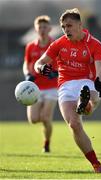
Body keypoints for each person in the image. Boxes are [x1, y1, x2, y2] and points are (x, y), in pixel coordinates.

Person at [34, 8, 101, 173]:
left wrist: (100, 81)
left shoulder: (95, 45)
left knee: (94, 93)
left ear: (80, 25)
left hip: (87, 81)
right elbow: (39, 62)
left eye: (69, 25)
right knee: (74, 124)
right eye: (63, 27)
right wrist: (41, 68)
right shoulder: (59, 43)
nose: (66, 30)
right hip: (66, 85)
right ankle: (96, 164)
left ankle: (87, 104)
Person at [23, 15, 58, 153]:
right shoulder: (30, 46)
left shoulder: (54, 45)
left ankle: (47, 143)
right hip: (35, 87)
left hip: (51, 87)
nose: (42, 29)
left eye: (45, 27)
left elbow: (62, 64)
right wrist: (27, 74)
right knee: (33, 119)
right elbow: (26, 63)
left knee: (45, 118)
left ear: (49, 28)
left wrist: (55, 73)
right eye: (40, 27)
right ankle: (46, 138)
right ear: (36, 29)